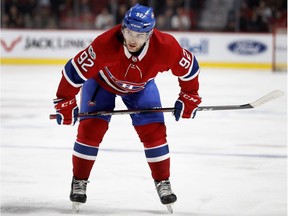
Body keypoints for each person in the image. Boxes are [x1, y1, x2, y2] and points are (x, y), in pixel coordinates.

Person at [53, 3, 201, 212]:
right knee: (90, 130)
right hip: (101, 84)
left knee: (154, 133)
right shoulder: (105, 44)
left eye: (140, 35)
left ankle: (163, 182)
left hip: (141, 88)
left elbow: (190, 69)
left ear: (150, 34)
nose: (132, 39)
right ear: (122, 27)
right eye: (129, 32)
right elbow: (73, 71)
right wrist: (64, 101)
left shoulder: (166, 46)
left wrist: (189, 95)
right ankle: (79, 180)